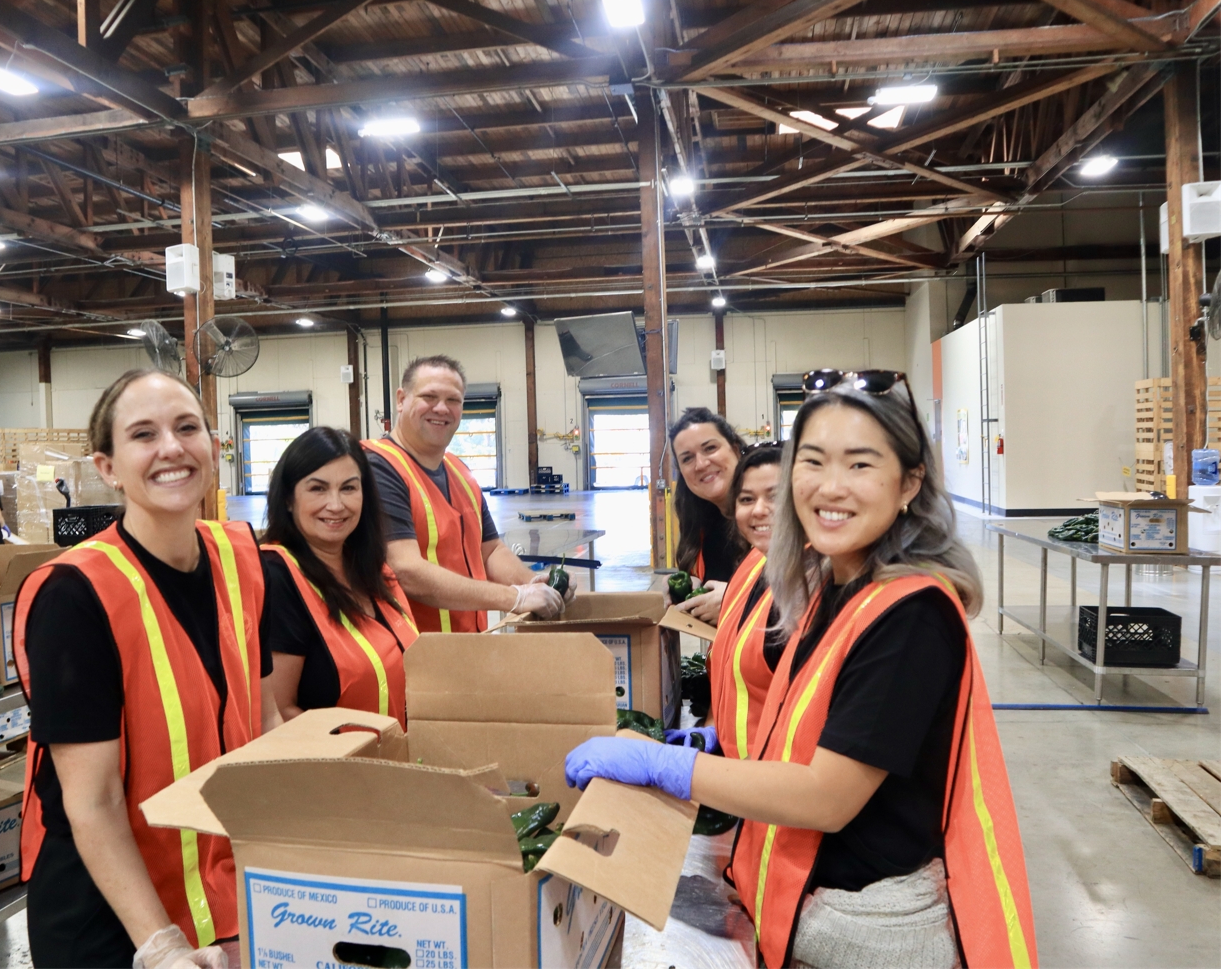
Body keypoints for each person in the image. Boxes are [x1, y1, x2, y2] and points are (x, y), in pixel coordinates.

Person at [566, 369, 1036, 969]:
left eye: (860, 465)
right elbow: (810, 720)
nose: (830, 488)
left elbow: (826, 798)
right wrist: (722, 742)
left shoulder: (911, 613)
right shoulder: (837, 588)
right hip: (808, 899)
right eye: (812, 463)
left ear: (909, 483)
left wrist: (671, 765)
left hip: (868, 926)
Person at [13, 369, 281, 969]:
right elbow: (95, 801)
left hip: (217, 890)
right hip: (109, 917)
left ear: (214, 446)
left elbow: (261, 719)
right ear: (107, 467)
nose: (171, 448)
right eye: (143, 434)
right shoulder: (76, 595)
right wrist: (160, 946)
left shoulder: (242, 559)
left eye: (188, 428)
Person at [363, 355, 568, 632]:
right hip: (413, 657)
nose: (441, 408)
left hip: (464, 649)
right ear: (401, 399)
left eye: (453, 400)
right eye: (429, 396)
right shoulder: (377, 468)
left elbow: (491, 550)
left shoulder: (459, 470)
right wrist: (514, 597)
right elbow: (406, 571)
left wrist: (533, 583)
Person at [261, 427, 418, 726]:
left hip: (393, 762)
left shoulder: (374, 570)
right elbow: (277, 713)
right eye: (317, 488)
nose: (336, 505)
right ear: (288, 499)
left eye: (348, 488)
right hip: (333, 768)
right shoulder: (277, 576)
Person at [669, 442, 782, 762]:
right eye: (747, 499)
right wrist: (712, 731)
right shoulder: (755, 563)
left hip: (767, 781)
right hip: (738, 769)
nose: (759, 509)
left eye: (775, 497)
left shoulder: (812, 586)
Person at [669, 407, 746, 625]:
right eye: (687, 458)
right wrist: (689, 586)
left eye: (710, 448)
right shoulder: (701, 521)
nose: (701, 464)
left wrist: (738, 601)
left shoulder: (774, 514)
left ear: (735, 449)